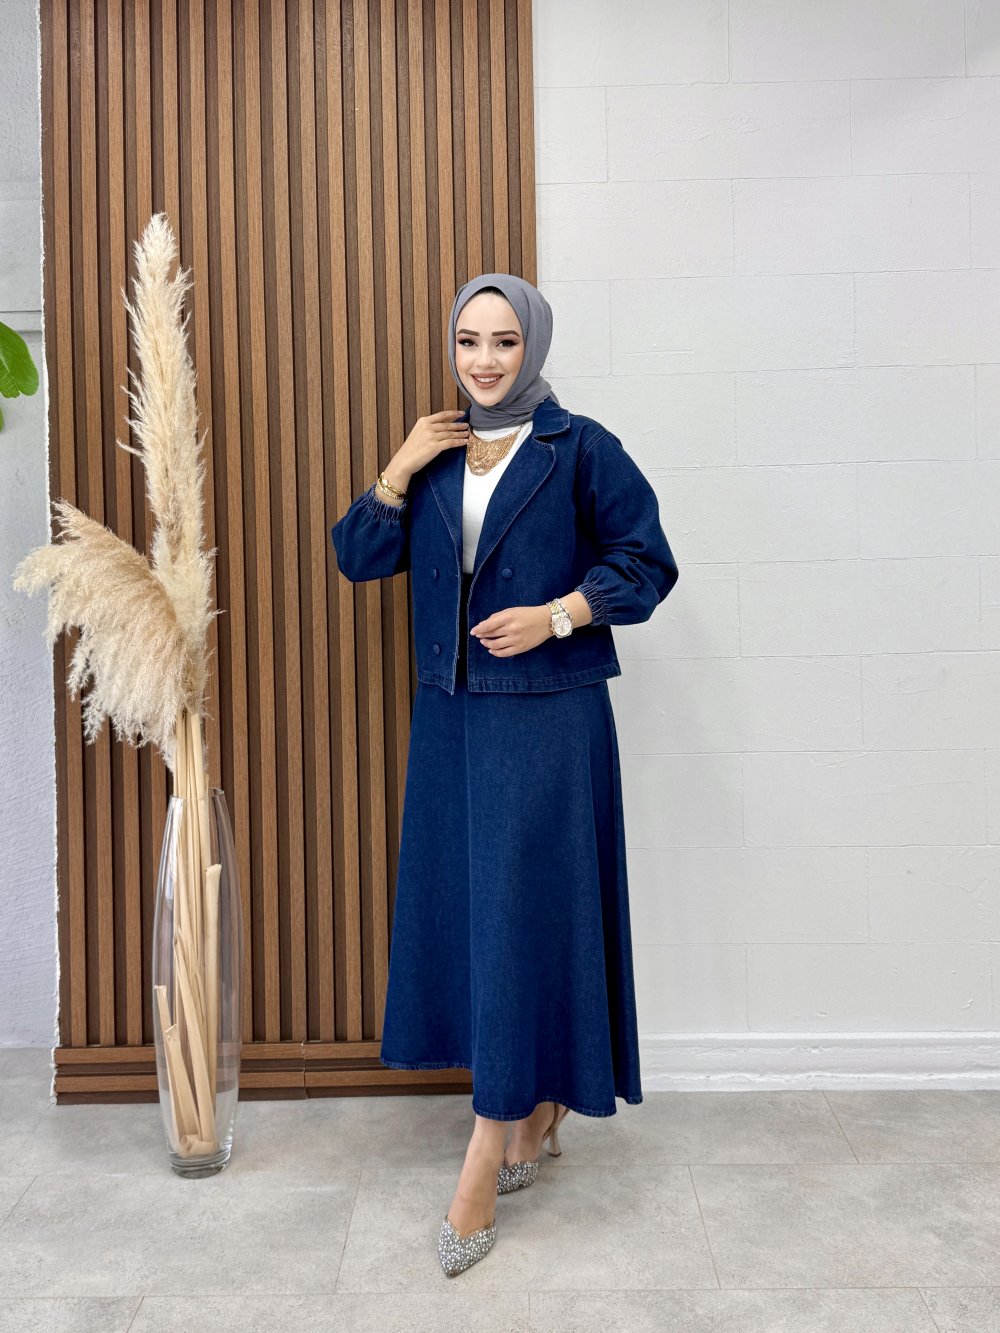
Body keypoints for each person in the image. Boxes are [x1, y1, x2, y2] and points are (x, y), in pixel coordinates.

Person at [330, 273, 679, 1277]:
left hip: (548, 718)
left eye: (505, 342)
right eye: (469, 341)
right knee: (481, 921)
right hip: (450, 719)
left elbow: (647, 564)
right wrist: (398, 467)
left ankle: (486, 1150)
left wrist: (558, 614)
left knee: (524, 917)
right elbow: (358, 558)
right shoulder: (438, 452)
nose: (484, 361)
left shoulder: (582, 447)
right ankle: (535, 1107)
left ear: (535, 347)